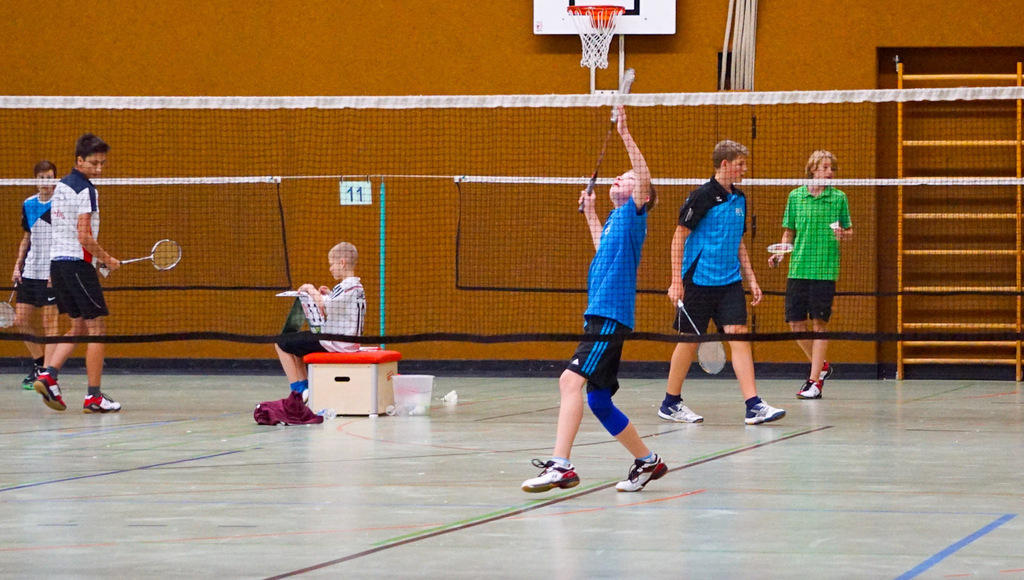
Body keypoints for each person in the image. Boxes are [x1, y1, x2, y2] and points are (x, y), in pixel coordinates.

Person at [522, 105, 667, 494]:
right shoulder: (617, 219)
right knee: (599, 401)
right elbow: (602, 250)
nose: (621, 177)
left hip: (610, 316)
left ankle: (561, 465)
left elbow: (645, 177)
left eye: (628, 178)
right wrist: (590, 213)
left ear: (641, 194)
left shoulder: (635, 214)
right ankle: (648, 461)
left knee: (569, 380)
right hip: (600, 315)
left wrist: (625, 133)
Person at [658, 139, 785, 425]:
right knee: (688, 341)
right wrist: (676, 281)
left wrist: (751, 278)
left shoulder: (739, 199)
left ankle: (753, 405)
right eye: (741, 164)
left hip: (729, 282)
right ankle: (670, 402)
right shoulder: (702, 196)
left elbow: (738, 241)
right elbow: (679, 237)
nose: (745, 169)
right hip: (698, 280)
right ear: (725, 164)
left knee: (739, 335)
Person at [33, 134, 122, 413]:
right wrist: (107, 259)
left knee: (78, 326)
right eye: (94, 163)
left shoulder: (60, 186)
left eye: (102, 163)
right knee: (97, 330)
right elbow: (83, 236)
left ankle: (48, 375)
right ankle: (93, 397)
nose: (99, 168)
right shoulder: (86, 190)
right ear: (79, 160)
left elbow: (61, 228)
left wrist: (94, 260)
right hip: (76, 265)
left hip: (58, 264)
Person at [768, 150, 852, 399]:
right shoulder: (795, 196)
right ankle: (822, 365)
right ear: (813, 169)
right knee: (795, 324)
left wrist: (843, 234)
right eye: (825, 167)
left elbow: (849, 231)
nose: (829, 172)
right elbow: (789, 232)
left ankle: (814, 381)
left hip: (824, 270)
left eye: (832, 168)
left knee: (819, 325)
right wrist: (780, 253)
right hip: (799, 268)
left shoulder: (838, 198)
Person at [274, 241, 366, 401]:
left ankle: (296, 392)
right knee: (296, 346)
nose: (330, 268)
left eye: (332, 264)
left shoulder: (346, 286)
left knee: (280, 343)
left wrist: (310, 289)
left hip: (337, 343)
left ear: (342, 262)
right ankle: (305, 390)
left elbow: (324, 305)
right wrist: (328, 294)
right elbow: (338, 307)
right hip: (347, 342)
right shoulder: (357, 287)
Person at [11, 161, 60, 390]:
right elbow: (27, 237)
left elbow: (65, 239)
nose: (45, 182)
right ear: (35, 180)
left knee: (50, 324)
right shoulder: (28, 204)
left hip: (52, 273)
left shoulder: (60, 204)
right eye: (41, 178)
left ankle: (48, 374)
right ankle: (39, 364)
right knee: (20, 321)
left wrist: (57, 270)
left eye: (49, 178)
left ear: (55, 179)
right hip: (30, 271)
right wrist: (17, 265)